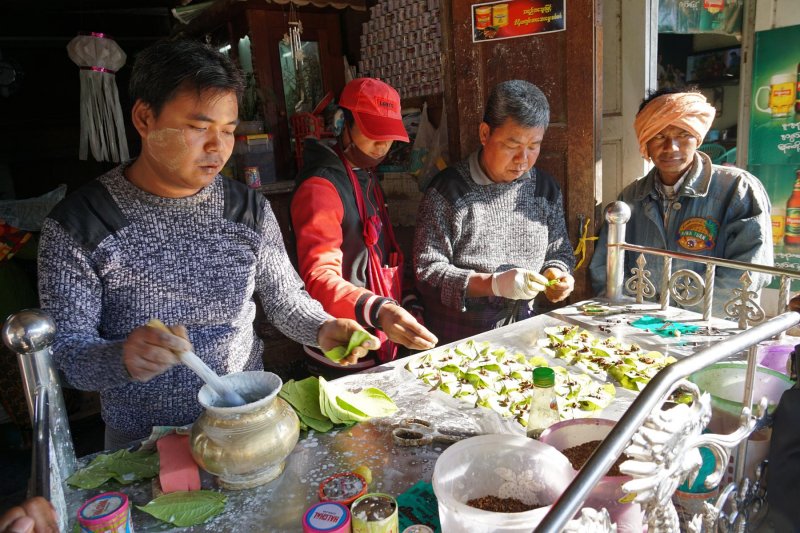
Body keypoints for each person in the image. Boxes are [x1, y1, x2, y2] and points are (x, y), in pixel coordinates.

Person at [37, 39, 378, 451]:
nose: (218, 148)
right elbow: (68, 354)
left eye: (228, 131)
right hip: (143, 444)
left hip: (245, 424)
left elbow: (286, 299)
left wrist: (322, 327)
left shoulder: (246, 208)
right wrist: (121, 357)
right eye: (199, 129)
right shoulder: (81, 224)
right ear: (145, 118)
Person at [290, 78, 438, 374]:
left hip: (377, 327)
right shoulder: (321, 187)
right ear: (342, 123)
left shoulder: (365, 175)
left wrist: (407, 303)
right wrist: (381, 310)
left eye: (388, 137)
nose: (382, 146)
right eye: (373, 135)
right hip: (342, 342)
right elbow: (319, 277)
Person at [413, 80, 576, 345]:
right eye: (512, 145)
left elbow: (558, 252)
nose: (523, 159)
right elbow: (427, 273)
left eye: (533, 146)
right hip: (460, 341)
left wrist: (556, 275)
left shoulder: (545, 188)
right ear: (485, 133)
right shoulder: (448, 191)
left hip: (526, 331)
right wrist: (493, 284)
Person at [589, 88, 772, 313]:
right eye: (659, 136)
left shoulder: (738, 189)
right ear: (644, 141)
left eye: (683, 134)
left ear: (698, 137)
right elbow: (606, 267)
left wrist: (682, 322)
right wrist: (629, 315)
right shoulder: (630, 197)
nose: (671, 148)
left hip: (708, 330)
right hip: (638, 326)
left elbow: (747, 273)